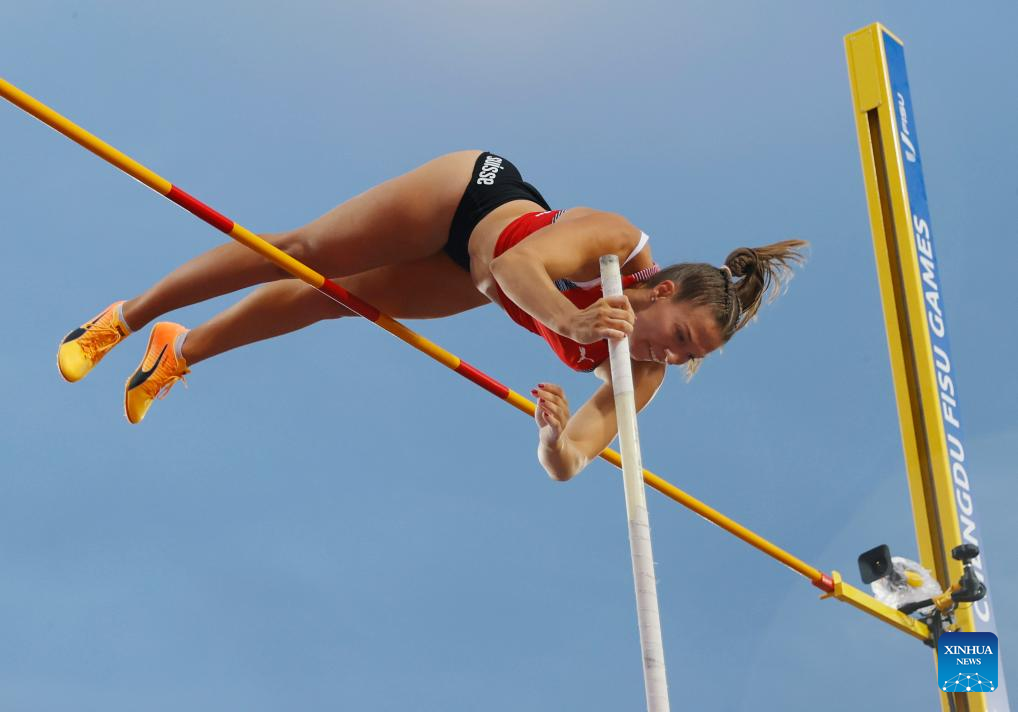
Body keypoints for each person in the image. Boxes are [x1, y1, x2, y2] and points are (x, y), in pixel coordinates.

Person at [57, 150, 808, 480]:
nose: (670, 357)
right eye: (680, 338)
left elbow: (573, 462)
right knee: (302, 252)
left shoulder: (639, 373)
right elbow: (516, 266)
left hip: (467, 279)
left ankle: (179, 350)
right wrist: (576, 322)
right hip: (469, 203)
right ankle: (124, 317)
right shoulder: (615, 244)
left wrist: (552, 437)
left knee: (328, 302)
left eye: (688, 357)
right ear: (664, 293)